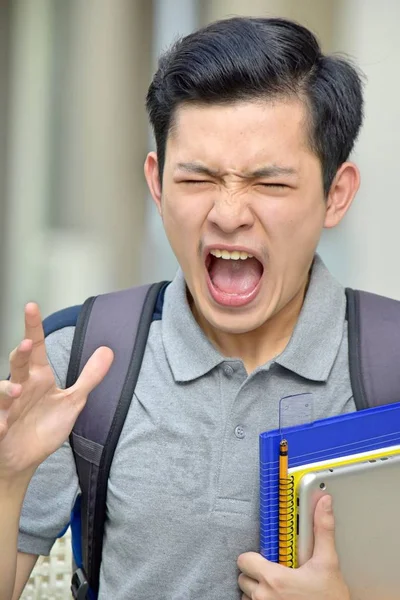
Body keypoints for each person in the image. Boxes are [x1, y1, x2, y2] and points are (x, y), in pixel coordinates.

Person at [0, 15, 363, 600]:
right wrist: (7, 477)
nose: (228, 213)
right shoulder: (81, 365)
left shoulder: (389, 364)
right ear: (158, 184)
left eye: (269, 184)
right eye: (197, 179)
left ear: (335, 194)